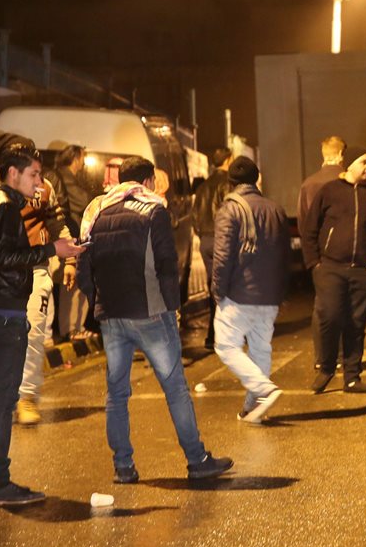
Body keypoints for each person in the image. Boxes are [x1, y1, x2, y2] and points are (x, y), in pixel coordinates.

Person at [76, 156, 233, 484]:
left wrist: (98, 305)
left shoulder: (97, 211)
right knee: (175, 388)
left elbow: (84, 268)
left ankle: (123, 467)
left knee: (116, 393)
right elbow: (167, 265)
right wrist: (174, 309)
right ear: (147, 181)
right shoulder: (154, 211)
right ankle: (197, 459)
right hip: (149, 312)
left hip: (111, 316)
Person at [0, 143, 82, 506]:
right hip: (4, 313)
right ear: (13, 174)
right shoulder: (2, 207)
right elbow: (6, 258)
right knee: (1, 403)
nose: (39, 183)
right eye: (33, 175)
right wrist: (54, 252)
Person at [0, 135, 76, 426]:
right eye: (32, 170)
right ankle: (0, 397)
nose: (37, 178)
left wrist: (69, 260)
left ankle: (27, 397)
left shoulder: (44, 188)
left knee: (33, 333)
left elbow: (56, 222)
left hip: (35, 270)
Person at [301, 145, 366, 394]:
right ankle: (327, 368)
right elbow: (310, 229)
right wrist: (315, 264)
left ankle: (352, 376)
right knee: (330, 316)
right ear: (351, 164)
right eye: (364, 162)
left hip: (362, 270)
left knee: (356, 323)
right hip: (330, 268)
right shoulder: (329, 191)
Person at [209, 156, 290, 424]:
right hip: (269, 294)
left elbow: (222, 257)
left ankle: (264, 389)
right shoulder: (275, 208)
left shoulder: (229, 209)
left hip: (239, 293)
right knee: (260, 349)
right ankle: (252, 409)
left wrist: (218, 292)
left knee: (225, 346)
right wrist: (280, 290)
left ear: (230, 182)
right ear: (256, 179)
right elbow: (285, 254)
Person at [44, 145, 95, 341]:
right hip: (71, 235)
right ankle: (71, 328)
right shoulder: (66, 177)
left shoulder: (71, 178)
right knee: (71, 285)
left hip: (74, 235)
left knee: (77, 283)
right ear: (75, 157)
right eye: (82, 157)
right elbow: (84, 201)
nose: (83, 162)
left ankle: (76, 327)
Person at [192, 147, 233, 351]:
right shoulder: (228, 184)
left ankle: (213, 335)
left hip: (206, 241)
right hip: (221, 239)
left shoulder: (202, 187)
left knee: (213, 288)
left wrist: (201, 235)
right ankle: (219, 336)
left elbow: (195, 217)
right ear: (228, 160)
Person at [296, 136, 345, 241]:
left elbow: (303, 225)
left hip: (319, 249)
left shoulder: (307, 184)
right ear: (341, 154)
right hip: (346, 247)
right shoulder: (349, 181)